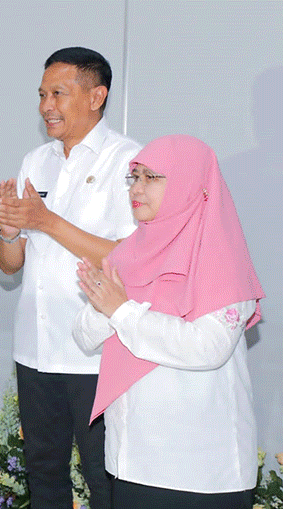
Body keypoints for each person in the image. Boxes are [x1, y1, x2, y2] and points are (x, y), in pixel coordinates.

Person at [73, 135, 264, 509]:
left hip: (201, 469)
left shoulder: (223, 259)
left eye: (151, 177)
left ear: (189, 184)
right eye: (134, 177)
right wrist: (107, 308)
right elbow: (83, 335)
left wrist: (122, 311)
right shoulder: (128, 253)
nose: (136, 188)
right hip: (131, 460)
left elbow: (207, 347)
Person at [0, 47, 141, 509]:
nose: (46, 106)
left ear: (96, 96)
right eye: (41, 95)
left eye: (58, 94)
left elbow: (130, 258)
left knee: (103, 475)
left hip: (96, 354)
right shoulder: (36, 161)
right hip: (35, 348)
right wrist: (10, 232)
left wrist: (46, 220)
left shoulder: (129, 161)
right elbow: (10, 265)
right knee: (43, 472)